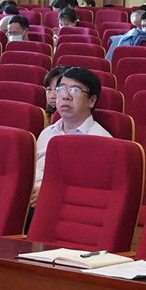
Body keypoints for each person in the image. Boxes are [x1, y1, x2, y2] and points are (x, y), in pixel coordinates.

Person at [34, 66, 112, 203]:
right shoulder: (47, 133)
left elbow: (94, 193)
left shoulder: (102, 140)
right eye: (61, 89)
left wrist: (49, 192)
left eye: (75, 90)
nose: (66, 96)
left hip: (64, 205)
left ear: (91, 100)